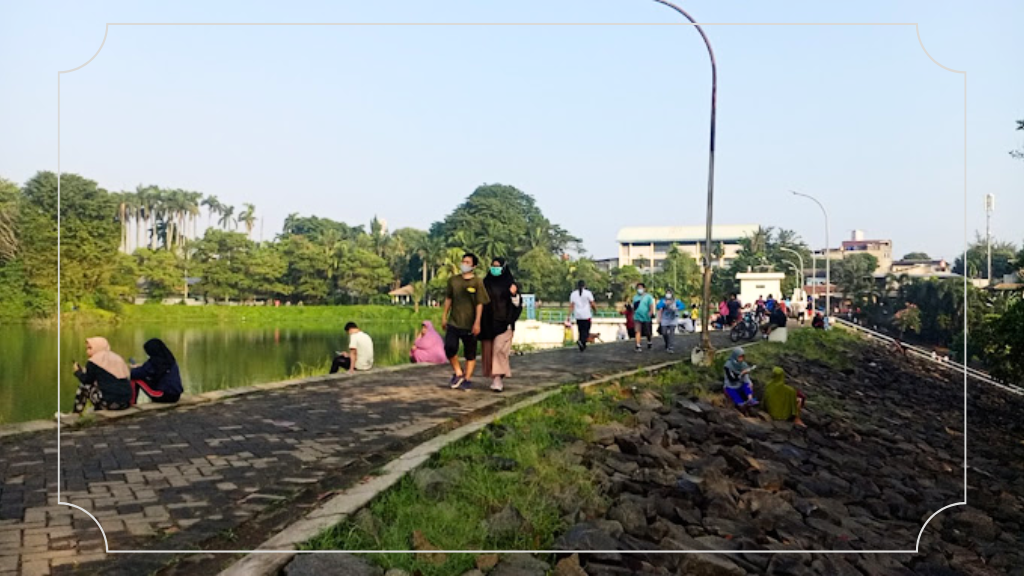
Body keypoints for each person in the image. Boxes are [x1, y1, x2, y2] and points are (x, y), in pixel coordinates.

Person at [443, 253, 490, 390]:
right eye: (463, 261)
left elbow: (480, 303)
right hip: (454, 321)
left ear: (474, 266)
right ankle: (458, 372)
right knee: (449, 347)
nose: (464, 264)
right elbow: (448, 299)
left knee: (470, 352)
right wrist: (444, 316)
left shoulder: (477, 282)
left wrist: (477, 322)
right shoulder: (453, 281)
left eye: (468, 262)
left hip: (470, 323)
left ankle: (467, 378)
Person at [480, 258, 522, 392]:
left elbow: (517, 305)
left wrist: (513, 294)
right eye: (493, 266)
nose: (495, 269)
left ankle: (497, 379)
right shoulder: (485, 283)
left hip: (505, 323)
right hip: (487, 323)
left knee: (499, 350)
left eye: (498, 266)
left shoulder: (511, 284)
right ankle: (496, 376)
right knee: (489, 352)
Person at [71, 337, 132, 413]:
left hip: (109, 404)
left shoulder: (93, 361)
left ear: (98, 347)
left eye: (90, 348)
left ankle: (76, 413)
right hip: (126, 403)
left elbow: (87, 380)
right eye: (87, 348)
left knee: (84, 385)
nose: (87, 351)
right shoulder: (117, 358)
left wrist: (78, 372)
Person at [129, 338, 183, 405]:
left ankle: (132, 403)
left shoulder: (154, 362)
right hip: (176, 396)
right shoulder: (171, 360)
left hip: (162, 395)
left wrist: (134, 368)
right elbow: (150, 371)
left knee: (135, 379)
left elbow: (135, 374)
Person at [569, 280, 597, 352]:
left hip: (578, 315)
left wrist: (568, 315)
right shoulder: (588, 293)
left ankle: (582, 345)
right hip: (586, 315)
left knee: (581, 330)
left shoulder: (573, 294)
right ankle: (581, 341)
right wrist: (595, 310)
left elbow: (572, 305)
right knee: (586, 330)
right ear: (584, 285)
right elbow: (592, 303)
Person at [631, 283, 656, 352]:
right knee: (637, 331)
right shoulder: (635, 297)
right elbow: (633, 307)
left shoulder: (648, 297)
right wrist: (633, 315)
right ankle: (638, 345)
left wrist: (650, 312)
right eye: (638, 288)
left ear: (644, 289)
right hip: (637, 316)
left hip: (646, 317)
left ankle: (649, 341)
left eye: (641, 288)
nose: (640, 289)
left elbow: (651, 305)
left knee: (647, 331)